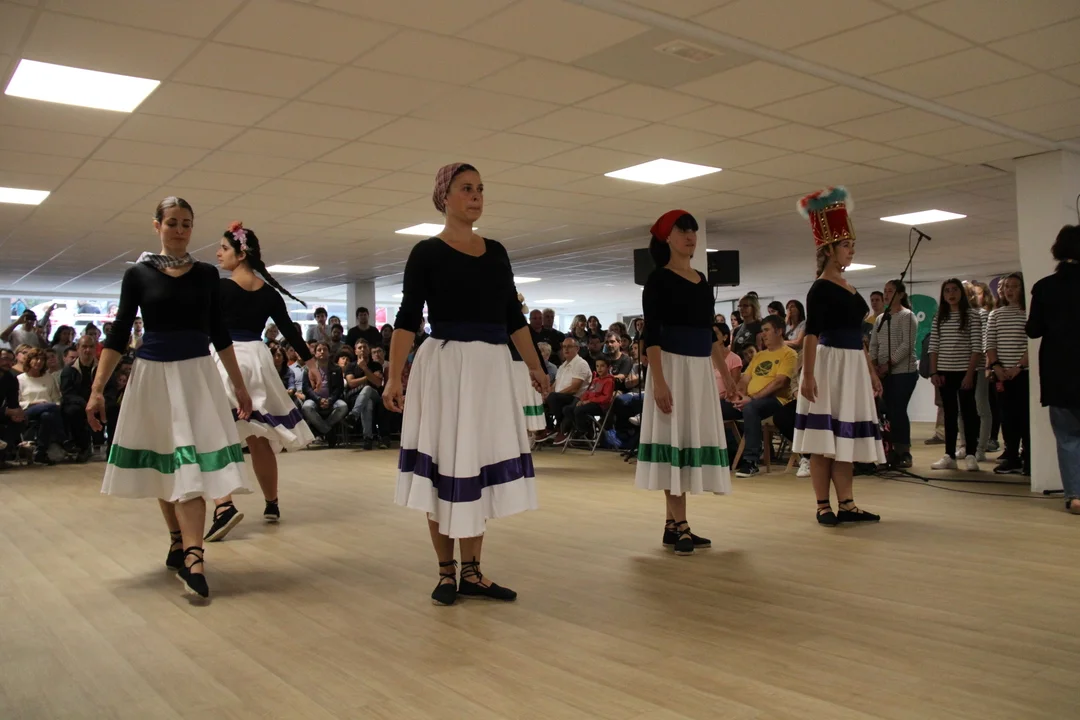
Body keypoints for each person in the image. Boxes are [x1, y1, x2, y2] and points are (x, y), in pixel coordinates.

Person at [383, 163, 549, 607]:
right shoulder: (426, 252)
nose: (475, 196)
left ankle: (473, 571)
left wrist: (535, 367)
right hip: (447, 366)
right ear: (445, 197)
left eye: (480, 189)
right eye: (466, 189)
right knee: (445, 465)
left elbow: (513, 316)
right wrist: (394, 376)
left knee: (477, 462)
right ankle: (446, 571)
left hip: (491, 368)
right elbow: (406, 319)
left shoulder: (496, 252)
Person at [86, 196, 254, 602]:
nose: (179, 230)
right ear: (157, 226)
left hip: (196, 375)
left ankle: (194, 557)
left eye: (186, 223)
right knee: (166, 462)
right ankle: (179, 539)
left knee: (190, 464)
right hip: (153, 376)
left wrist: (239, 384)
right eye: (172, 222)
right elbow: (119, 332)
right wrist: (97, 388)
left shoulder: (207, 274)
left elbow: (219, 332)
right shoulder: (138, 274)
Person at [203, 221, 318, 543]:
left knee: (215, 433)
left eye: (223, 248)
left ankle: (224, 505)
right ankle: (272, 503)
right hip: (257, 358)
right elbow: (290, 330)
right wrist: (310, 363)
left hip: (226, 357)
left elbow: (205, 327)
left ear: (241, 254)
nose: (218, 253)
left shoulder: (221, 288)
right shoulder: (268, 293)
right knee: (258, 437)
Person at [636, 209, 737, 556]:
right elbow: (652, 335)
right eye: (683, 231)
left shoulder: (701, 280)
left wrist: (726, 376)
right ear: (668, 237)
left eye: (693, 231)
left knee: (687, 438)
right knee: (673, 440)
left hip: (698, 371)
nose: (691, 236)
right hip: (672, 368)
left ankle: (673, 525)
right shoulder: (658, 280)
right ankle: (680, 524)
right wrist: (659, 381)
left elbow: (709, 334)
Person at [792, 187, 884, 526]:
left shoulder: (851, 288)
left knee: (845, 438)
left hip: (852, 363)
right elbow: (811, 334)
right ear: (828, 249)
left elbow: (859, 337)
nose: (851, 251)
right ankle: (822, 505)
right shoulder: (820, 288)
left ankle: (847, 503)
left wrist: (871, 371)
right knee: (823, 440)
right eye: (846, 245)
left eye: (852, 245)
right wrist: (808, 375)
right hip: (829, 363)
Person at [1028, 225, 1080, 513]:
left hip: (1059, 373)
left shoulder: (1045, 287)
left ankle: (1075, 495)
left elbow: (1033, 330)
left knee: (1068, 437)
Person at [728, 315, 798, 478]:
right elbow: (744, 379)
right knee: (718, 406)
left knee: (751, 408)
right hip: (749, 400)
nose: (763, 334)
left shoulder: (789, 354)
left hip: (776, 401)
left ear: (779, 331)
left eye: (766, 330)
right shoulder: (759, 355)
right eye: (762, 331)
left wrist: (752, 398)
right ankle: (716, 454)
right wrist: (739, 395)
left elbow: (780, 382)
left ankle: (751, 461)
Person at [928, 278, 983, 472]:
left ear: (961, 293)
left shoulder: (972, 315)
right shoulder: (939, 316)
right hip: (945, 371)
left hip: (965, 371)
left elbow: (976, 347)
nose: (951, 294)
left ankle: (971, 454)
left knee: (968, 413)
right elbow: (934, 346)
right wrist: (934, 371)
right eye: (947, 291)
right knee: (949, 414)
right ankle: (949, 455)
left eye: (954, 290)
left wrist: (969, 375)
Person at [869, 279, 919, 468]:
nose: (886, 294)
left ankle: (904, 451)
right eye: (885, 291)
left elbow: (907, 345)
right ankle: (889, 451)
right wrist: (874, 366)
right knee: (888, 411)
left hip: (903, 372)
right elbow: (874, 344)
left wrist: (889, 364)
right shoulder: (881, 319)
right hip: (883, 373)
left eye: (890, 291)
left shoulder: (908, 316)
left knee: (898, 410)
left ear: (900, 294)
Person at [986, 272, 1029, 476]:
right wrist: (996, 367)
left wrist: (1018, 367)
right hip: (1001, 374)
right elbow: (990, 343)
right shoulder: (996, 315)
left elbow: (1031, 344)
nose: (1009, 290)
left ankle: (1028, 457)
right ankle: (1011, 456)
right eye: (1007, 287)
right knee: (1007, 417)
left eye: (1015, 286)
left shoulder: (1027, 313)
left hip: (1023, 373)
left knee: (1025, 417)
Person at [18, 347, 72, 465]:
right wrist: (36, 403)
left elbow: (56, 399)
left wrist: (52, 405)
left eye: (42, 359)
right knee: (49, 408)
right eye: (36, 359)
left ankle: (41, 452)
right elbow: (18, 403)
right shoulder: (20, 379)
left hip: (50, 411)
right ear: (29, 360)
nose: (39, 362)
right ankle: (63, 438)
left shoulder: (49, 378)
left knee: (47, 415)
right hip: (27, 411)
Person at [59, 335, 103, 463]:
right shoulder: (69, 370)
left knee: (114, 409)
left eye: (91, 347)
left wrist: (99, 402)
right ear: (78, 348)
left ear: (95, 348)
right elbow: (67, 393)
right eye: (84, 346)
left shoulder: (102, 368)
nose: (87, 350)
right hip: (78, 404)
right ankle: (82, 447)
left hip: (100, 403)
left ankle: (112, 448)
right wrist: (87, 404)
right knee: (73, 411)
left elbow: (110, 389)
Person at [344, 339, 385, 450]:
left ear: (369, 350)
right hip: (355, 396)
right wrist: (369, 377)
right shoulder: (350, 366)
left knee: (368, 389)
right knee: (367, 403)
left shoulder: (376, 365)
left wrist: (364, 368)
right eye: (360, 348)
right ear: (355, 351)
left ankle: (353, 415)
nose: (362, 350)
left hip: (375, 395)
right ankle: (368, 438)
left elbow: (377, 383)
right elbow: (351, 383)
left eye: (365, 347)